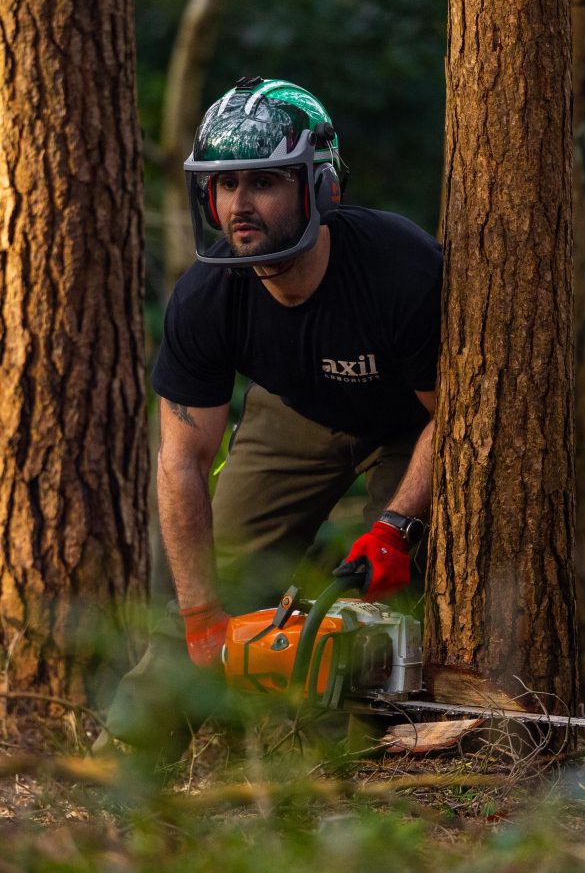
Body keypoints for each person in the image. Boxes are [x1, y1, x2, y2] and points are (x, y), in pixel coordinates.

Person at [98, 77, 442, 763]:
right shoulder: (205, 298)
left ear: (319, 189)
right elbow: (181, 460)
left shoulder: (401, 268)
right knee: (218, 580)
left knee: (384, 600)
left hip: (415, 422)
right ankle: (122, 765)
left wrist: (397, 527)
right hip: (295, 410)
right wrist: (201, 614)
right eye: (225, 186)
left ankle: (349, 769)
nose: (240, 206)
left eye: (263, 183)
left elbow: (458, 416)